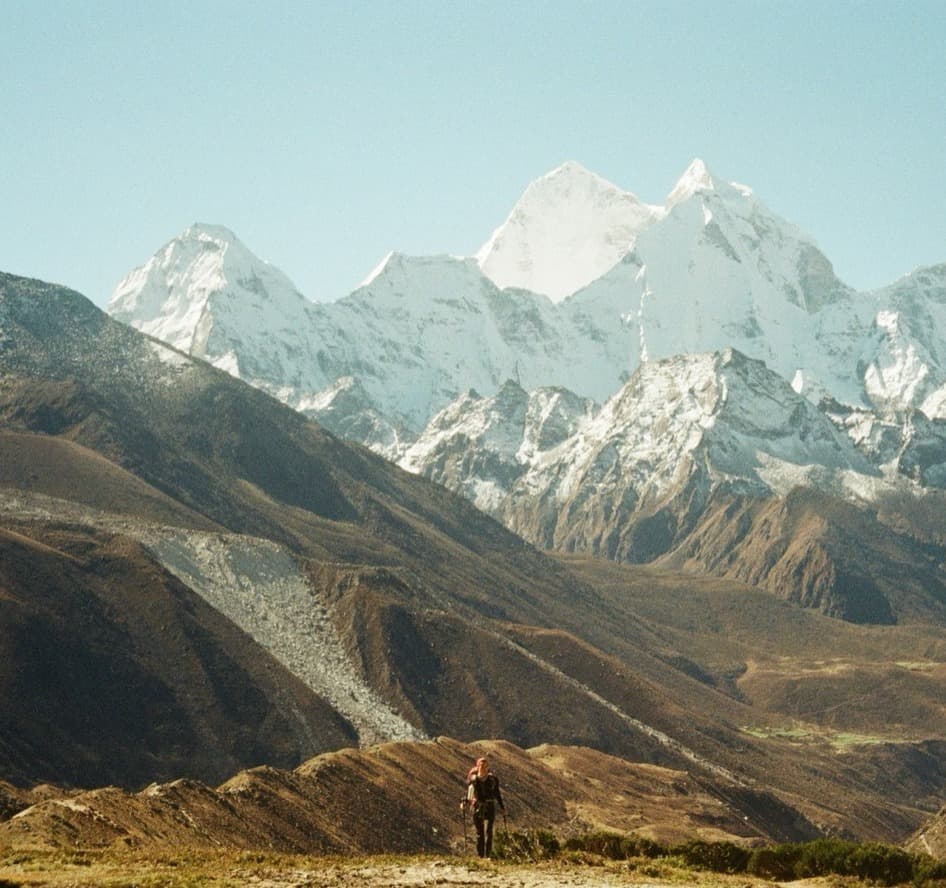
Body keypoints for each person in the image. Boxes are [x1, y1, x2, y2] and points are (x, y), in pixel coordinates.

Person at [466, 756, 505, 857]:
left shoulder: (493, 780)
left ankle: (487, 855)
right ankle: (481, 856)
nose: (482, 767)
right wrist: (464, 802)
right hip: (478, 807)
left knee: (488, 832)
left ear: (488, 767)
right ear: (477, 766)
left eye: (484, 765)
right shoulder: (473, 780)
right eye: (481, 765)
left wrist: (502, 807)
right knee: (480, 833)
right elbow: (470, 794)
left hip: (489, 806)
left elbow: (497, 793)